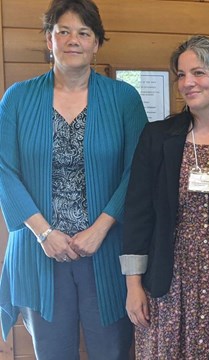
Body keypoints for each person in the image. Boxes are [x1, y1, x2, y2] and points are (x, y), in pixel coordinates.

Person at [0, 0, 147, 358]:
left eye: (83, 32)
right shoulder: (18, 97)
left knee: (111, 350)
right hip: (40, 252)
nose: (73, 40)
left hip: (107, 250)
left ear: (97, 42)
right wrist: (44, 233)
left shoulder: (124, 98)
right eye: (62, 31)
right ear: (49, 40)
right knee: (51, 352)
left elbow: (138, 171)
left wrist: (100, 228)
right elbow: (3, 169)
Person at [120, 35, 209, 359]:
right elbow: (137, 214)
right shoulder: (158, 137)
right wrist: (133, 286)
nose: (188, 83)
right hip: (169, 281)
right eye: (181, 75)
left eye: (198, 73)